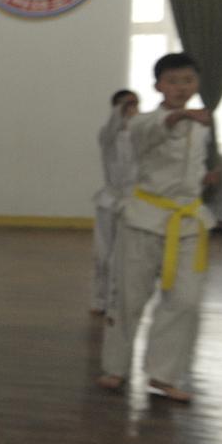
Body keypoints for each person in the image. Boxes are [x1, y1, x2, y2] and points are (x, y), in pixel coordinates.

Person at [98, 53, 221, 403]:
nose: (181, 88)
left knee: (185, 301)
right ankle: (115, 368)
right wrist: (181, 115)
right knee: (129, 298)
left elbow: (191, 168)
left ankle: (163, 374)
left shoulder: (201, 127)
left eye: (187, 81)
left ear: (196, 84)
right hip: (144, 219)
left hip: (188, 224)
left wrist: (206, 178)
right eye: (173, 81)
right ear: (158, 86)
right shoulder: (142, 122)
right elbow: (157, 130)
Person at [90, 90, 138, 316]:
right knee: (103, 254)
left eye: (133, 104)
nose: (129, 108)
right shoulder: (107, 135)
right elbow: (112, 127)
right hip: (109, 200)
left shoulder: (143, 133)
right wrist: (119, 112)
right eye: (124, 105)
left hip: (134, 201)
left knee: (125, 256)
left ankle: (117, 301)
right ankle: (100, 299)